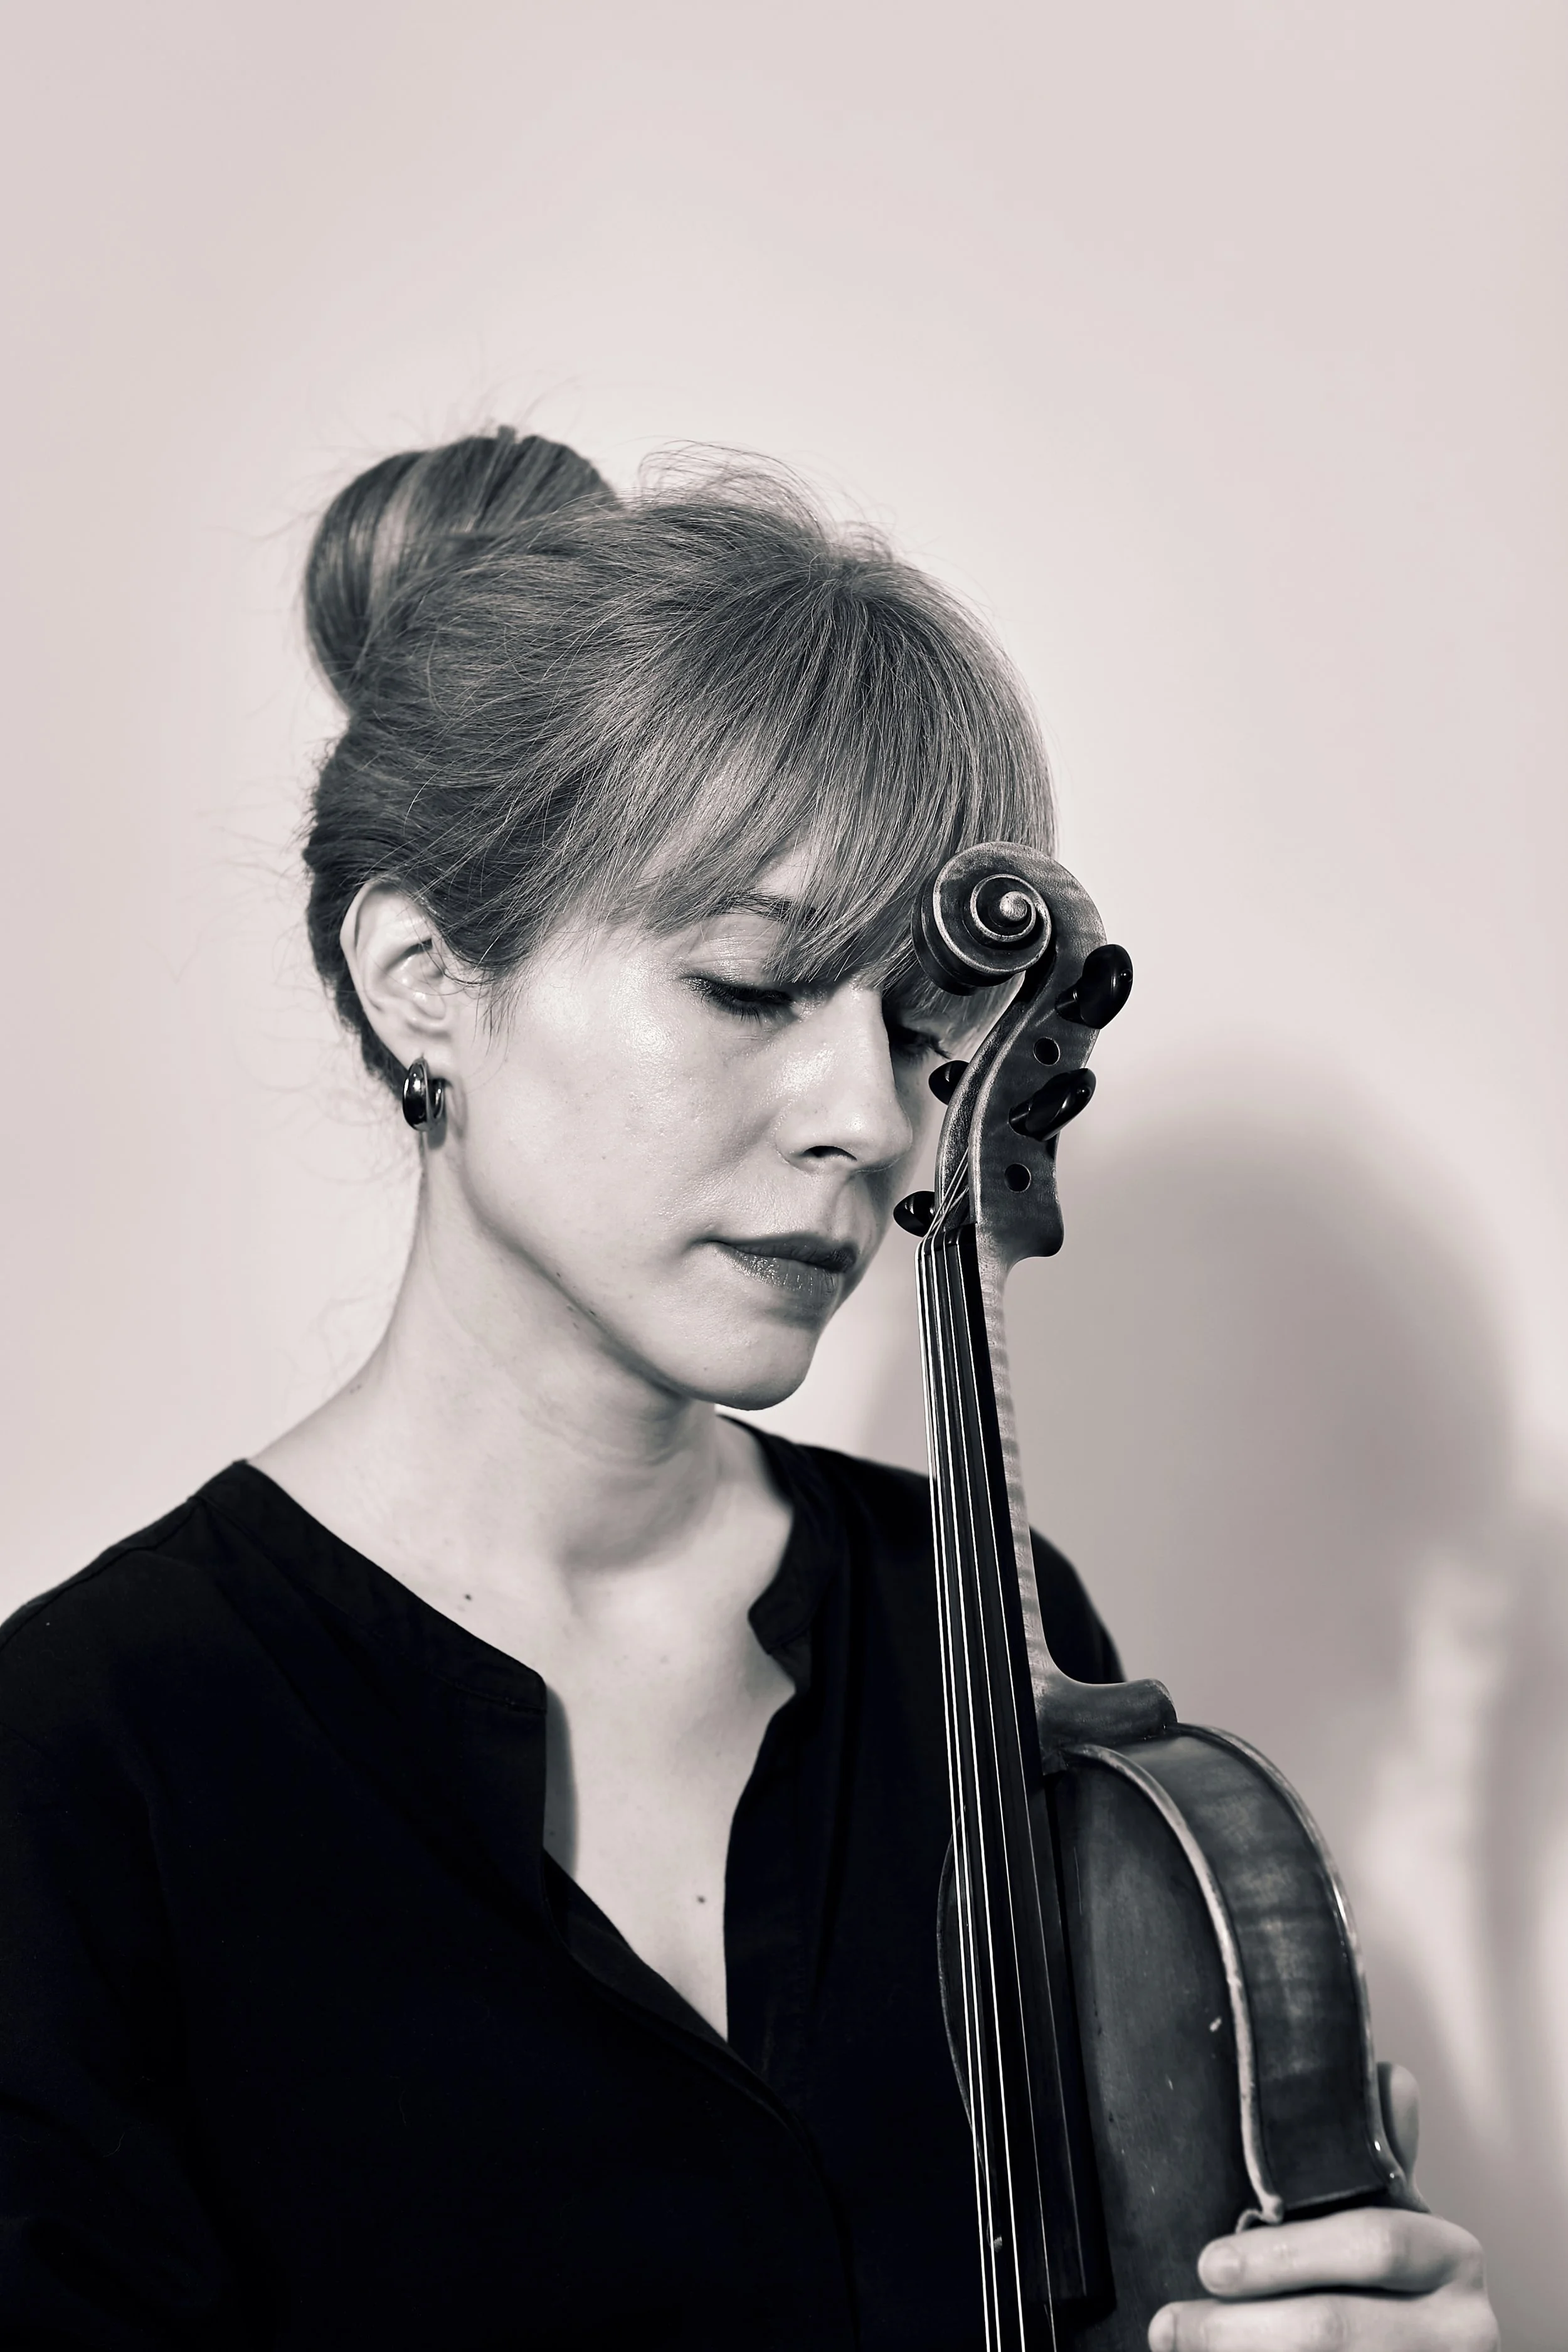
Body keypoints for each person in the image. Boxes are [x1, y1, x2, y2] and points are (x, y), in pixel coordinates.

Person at [0, 430, 1497, 2352]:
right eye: (746, 986)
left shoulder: (980, 1613)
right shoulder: (76, 1774)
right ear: (424, 978)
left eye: (904, 1019)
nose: (869, 1123)